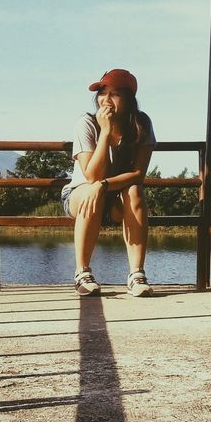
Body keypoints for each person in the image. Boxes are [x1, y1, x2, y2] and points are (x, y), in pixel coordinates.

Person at [61, 68, 156, 297]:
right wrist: (104, 133)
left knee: (135, 191)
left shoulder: (141, 124)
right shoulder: (87, 124)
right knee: (89, 191)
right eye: (102, 93)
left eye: (114, 94)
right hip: (79, 194)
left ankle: (136, 274)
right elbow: (92, 175)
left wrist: (104, 185)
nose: (106, 100)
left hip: (115, 195)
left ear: (129, 98)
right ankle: (82, 272)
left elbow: (138, 174)